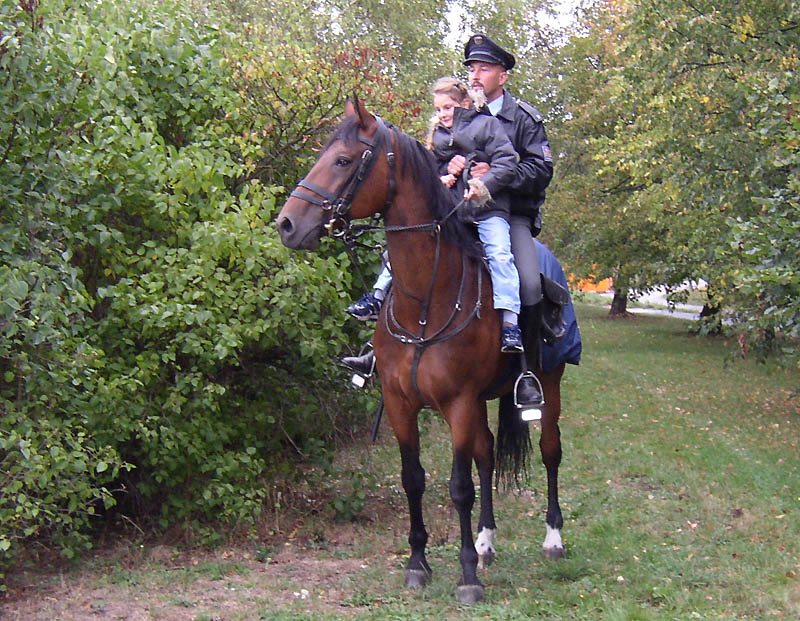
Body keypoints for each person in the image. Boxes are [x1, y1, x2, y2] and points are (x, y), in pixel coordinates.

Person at [348, 77, 526, 352]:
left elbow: (508, 162)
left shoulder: (487, 125)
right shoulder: (438, 135)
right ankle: (377, 297)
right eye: (439, 109)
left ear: (465, 104)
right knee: (411, 246)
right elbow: (428, 170)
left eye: (448, 108)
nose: (442, 114)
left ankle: (510, 324)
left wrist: (481, 183)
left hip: (487, 210)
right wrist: (442, 176)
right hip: (450, 211)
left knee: (500, 255)